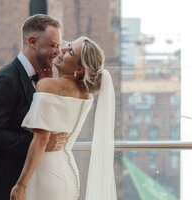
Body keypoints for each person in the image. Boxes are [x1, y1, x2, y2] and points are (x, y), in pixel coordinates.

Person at [0, 14, 69, 200]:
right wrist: (40, 143)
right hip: (3, 185)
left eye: (59, 46)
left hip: (30, 183)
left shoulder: (43, 79)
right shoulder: (5, 79)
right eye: (53, 45)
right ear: (32, 42)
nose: (58, 51)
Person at [10, 36, 117, 200]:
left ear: (80, 69)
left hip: (45, 175)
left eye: (70, 52)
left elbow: (41, 139)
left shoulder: (48, 85)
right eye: (67, 44)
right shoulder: (86, 94)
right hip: (68, 174)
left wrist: (21, 185)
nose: (63, 49)